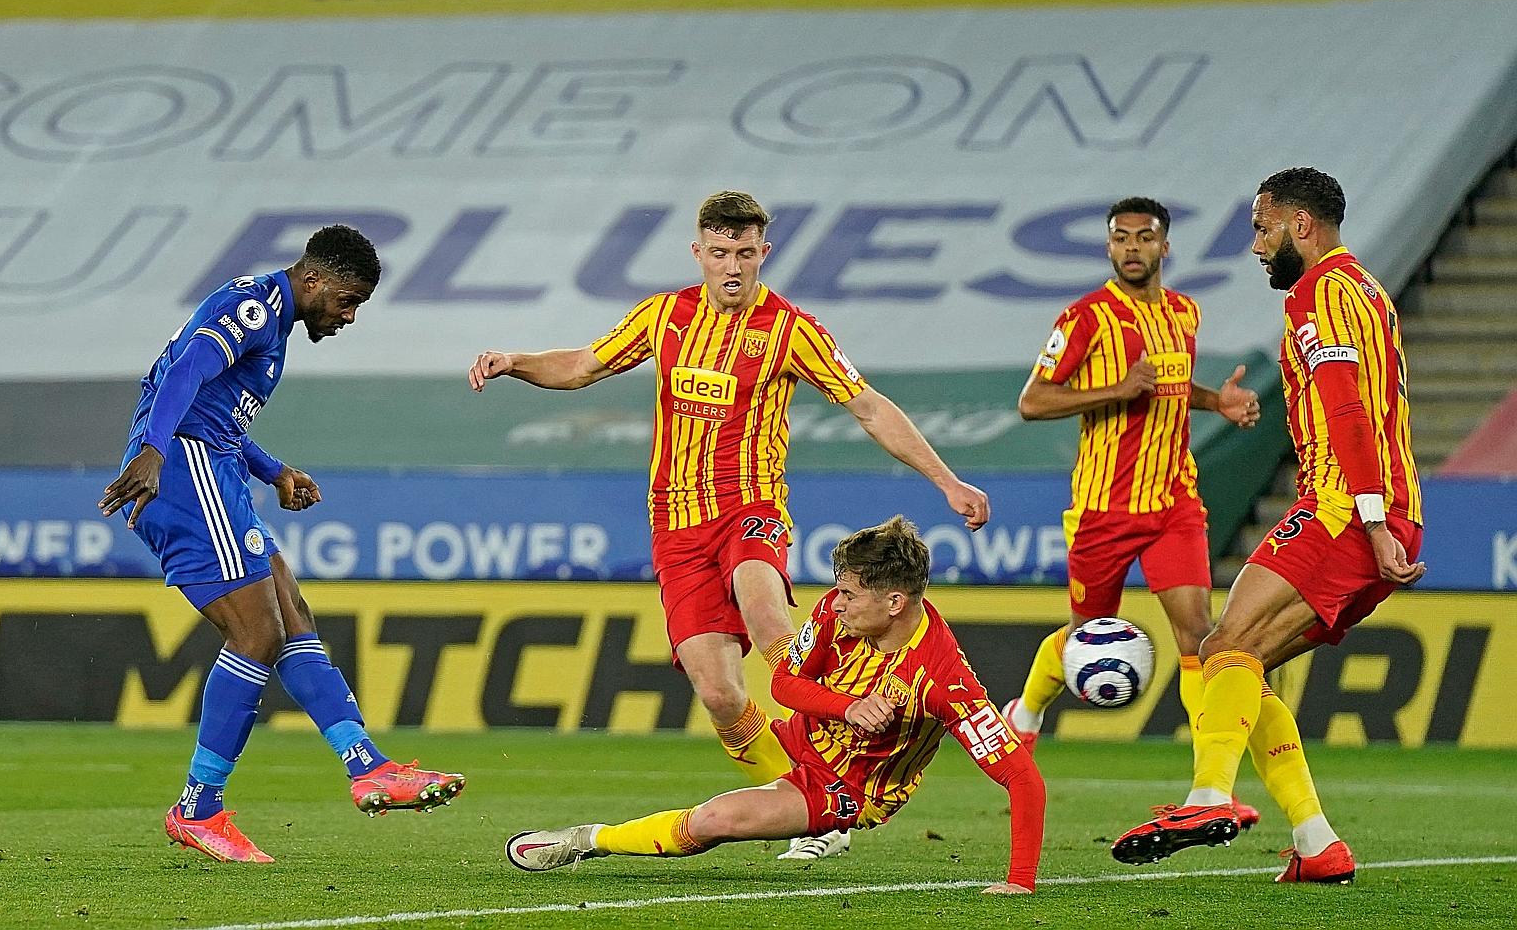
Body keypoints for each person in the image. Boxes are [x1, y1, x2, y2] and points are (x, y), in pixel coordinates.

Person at [468, 191, 991, 860]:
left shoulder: (792, 330)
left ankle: (834, 715)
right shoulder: (665, 316)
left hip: (751, 510)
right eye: (720, 253)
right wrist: (517, 361)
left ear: (762, 253)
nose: (733, 267)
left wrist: (945, 481)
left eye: (745, 253)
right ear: (699, 253)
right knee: (718, 694)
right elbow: (583, 366)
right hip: (675, 527)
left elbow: (866, 406)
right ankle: (811, 805)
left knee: (763, 604)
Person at [99, 225, 465, 863]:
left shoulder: (271, 322)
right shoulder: (256, 308)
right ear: (314, 279)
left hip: (213, 464)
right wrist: (154, 453)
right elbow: (184, 375)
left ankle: (366, 766)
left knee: (292, 617)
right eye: (347, 300)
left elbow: (216, 409)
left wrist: (276, 471)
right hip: (186, 469)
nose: (348, 316)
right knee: (257, 635)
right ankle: (198, 806)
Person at [1112, 168, 1424, 884]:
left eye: (1261, 227)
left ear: (1300, 226)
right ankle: (1318, 846)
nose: (1255, 246)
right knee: (1245, 667)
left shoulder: (1321, 291)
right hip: (1377, 512)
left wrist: (1372, 521)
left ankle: (1207, 797)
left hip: (1346, 509)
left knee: (1224, 644)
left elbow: (1346, 407)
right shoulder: (1367, 289)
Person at [506, 516, 1045, 893]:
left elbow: (1023, 779)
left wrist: (1019, 882)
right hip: (797, 739)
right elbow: (786, 684)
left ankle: (585, 840)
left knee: (714, 821)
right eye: (838, 589)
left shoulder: (945, 681)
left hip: (846, 790)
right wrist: (848, 706)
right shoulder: (838, 615)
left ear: (895, 602)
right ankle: (823, 837)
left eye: (850, 593)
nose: (836, 601)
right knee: (723, 700)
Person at [1000, 197, 1263, 827]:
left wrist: (1213, 403)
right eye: (1121, 238)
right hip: (1103, 508)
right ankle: (1026, 713)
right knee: (1084, 635)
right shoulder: (1085, 318)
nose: (1133, 248)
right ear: (1110, 247)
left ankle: (1208, 790)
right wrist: (1116, 390)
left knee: (1200, 636)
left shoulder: (1184, 312)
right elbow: (1033, 402)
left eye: (1145, 237)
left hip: (1174, 501)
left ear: (1165, 247)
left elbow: (1169, 388)